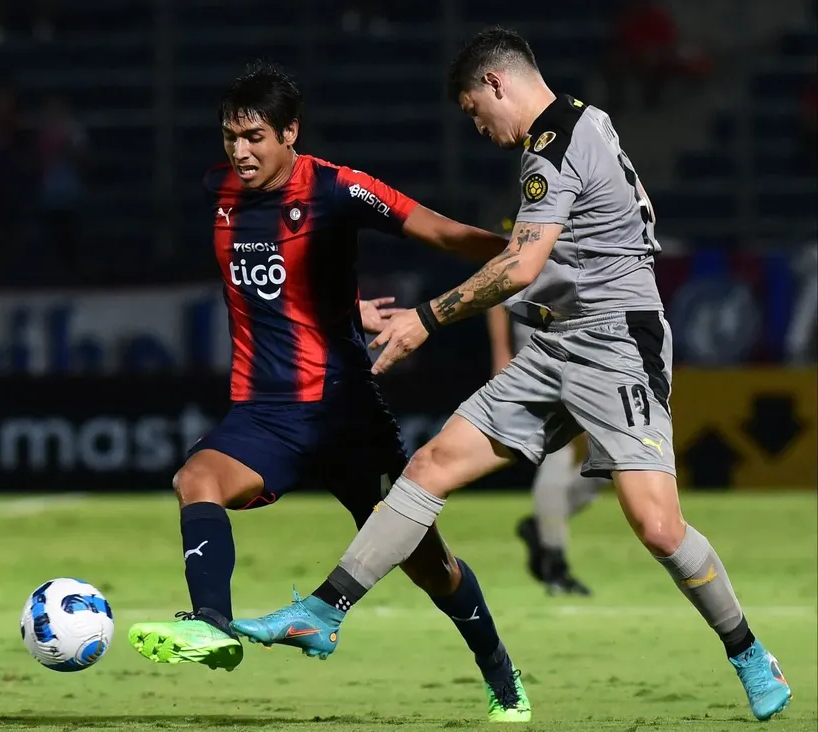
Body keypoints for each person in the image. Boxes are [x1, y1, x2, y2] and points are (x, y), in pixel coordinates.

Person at [232, 29, 792, 723]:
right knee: (431, 463)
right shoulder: (584, 122)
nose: (478, 127)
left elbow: (521, 266)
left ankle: (748, 653)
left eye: (474, 111)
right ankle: (323, 611)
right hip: (556, 346)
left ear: (498, 84)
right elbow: (584, 241)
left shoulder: (553, 150)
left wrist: (425, 320)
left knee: (657, 527)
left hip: (616, 346)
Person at [127, 61, 531, 723]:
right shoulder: (220, 188)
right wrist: (346, 308)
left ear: (291, 132)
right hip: (266, 413)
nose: (240, 150)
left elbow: (440, 231)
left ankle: (503, 678)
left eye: (255, 136)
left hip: (346, 413)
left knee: (429, 563)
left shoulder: (341, 190)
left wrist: (529, 258)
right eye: (230, 136)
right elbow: (285, 283)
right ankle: (210, 625)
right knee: (195, 478)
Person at [488, 302, 601, 595]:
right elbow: (500, 296)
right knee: (558, 456)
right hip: (539, 360)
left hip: (582, 357)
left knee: (605, 465)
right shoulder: (531, 255)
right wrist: (501, 354)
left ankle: (542, 526)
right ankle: (555, 564)